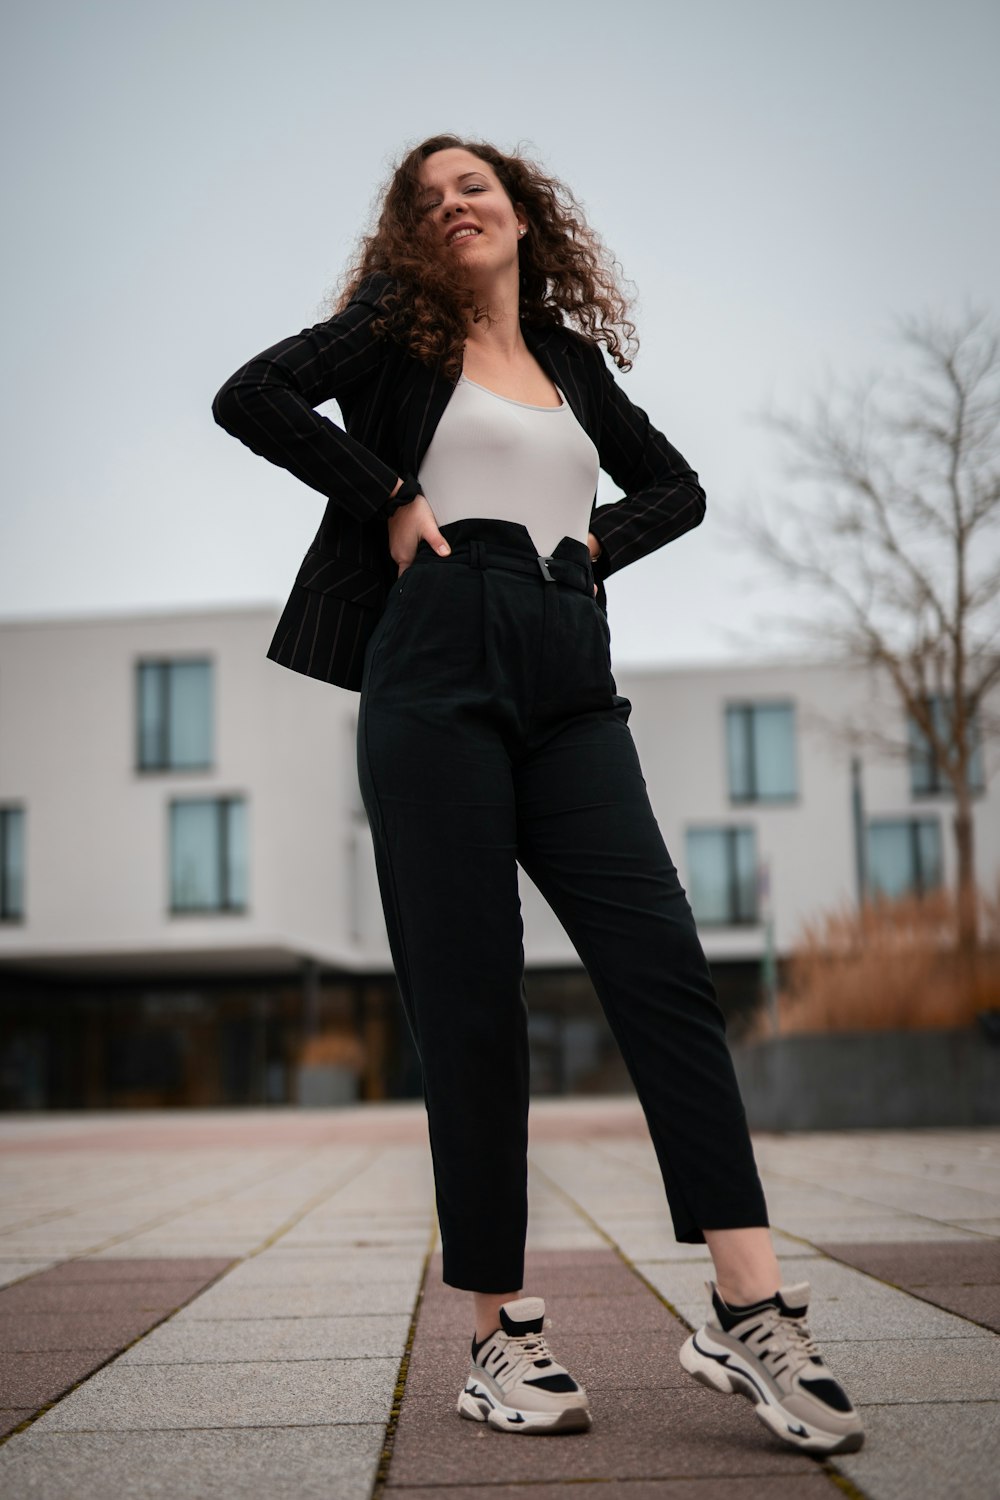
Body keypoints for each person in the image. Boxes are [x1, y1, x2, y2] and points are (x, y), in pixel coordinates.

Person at [212, 134, 863, 1455]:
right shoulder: (391, 331)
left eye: (478, 188)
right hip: (435, 665)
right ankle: (497, 1336)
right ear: (410, 234)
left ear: (524, 217)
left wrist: (596, 544)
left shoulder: (571, 360)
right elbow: (251, 395)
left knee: (666, 970)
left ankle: (750, 1308)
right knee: (475, 1004)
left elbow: (675, 487)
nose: (455, 205)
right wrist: (386, 490)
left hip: (571, 678)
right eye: (428, 197)